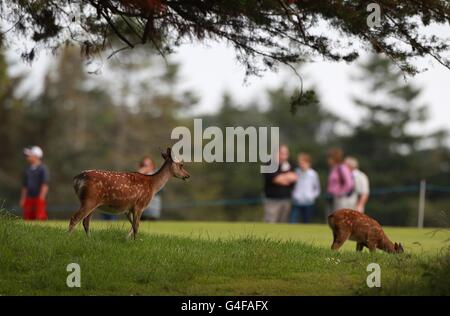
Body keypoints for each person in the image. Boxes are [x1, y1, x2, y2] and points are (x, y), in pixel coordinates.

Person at [262, 144, 297, 223]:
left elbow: (294, 177)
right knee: (270, 222)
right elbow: (276, 179)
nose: (285, 155)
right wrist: (287, 177)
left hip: (286, 199)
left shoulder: (291, 164)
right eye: (283, 153)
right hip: (272, 200)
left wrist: (282, 177)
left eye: (286, 153)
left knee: (283, 224)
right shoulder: (269, 164)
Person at [20, 146, 49, 220]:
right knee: (27, 218)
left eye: (30, 155)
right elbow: (25, 186)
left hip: (38, 198)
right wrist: (23, 198)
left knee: (39, 217)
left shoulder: (43, 169)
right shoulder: (27, 169)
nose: (27, 157)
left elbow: (44, 184)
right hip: (28, 198)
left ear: (36, 156)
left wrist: (41, 198)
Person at [290, 153, 321, 223]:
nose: (301, 164)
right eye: (300, 163)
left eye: (303, 162)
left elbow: (317, 189)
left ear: (308, 163)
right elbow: (291, 186)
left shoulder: (313, 174)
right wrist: (294, 195)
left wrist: (311, 197)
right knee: (292, 221)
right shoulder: (296, 172)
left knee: (306, 222)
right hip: (297, 202)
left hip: (309, 203)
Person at [326, 148, 354, 213]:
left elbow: (349, 183)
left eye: (329, 158)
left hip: (340, 199)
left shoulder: (342, 168)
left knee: (339, 218)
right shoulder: (333, 168)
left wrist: (341, 192)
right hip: (331, 197)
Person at [139, 156, 162, 221]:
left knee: (152, 224)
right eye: (144, 165)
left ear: (152, 166)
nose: (145, 167)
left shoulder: (157, 175)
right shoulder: (139, 175)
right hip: (141, 208)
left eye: (147, 165)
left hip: (153, 208)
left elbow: (159, 188)